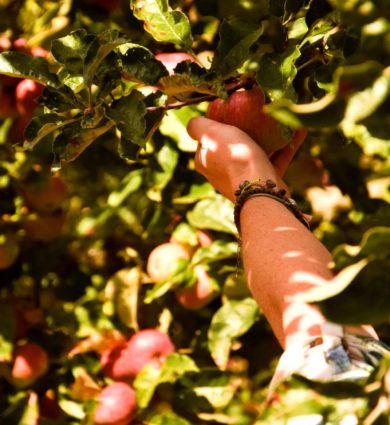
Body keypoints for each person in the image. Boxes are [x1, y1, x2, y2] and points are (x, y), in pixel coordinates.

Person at [186, 116, 389, 399]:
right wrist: (264, 190)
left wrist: (247, 175)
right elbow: (352, 338)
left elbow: (333, 350)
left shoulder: (342, 404)